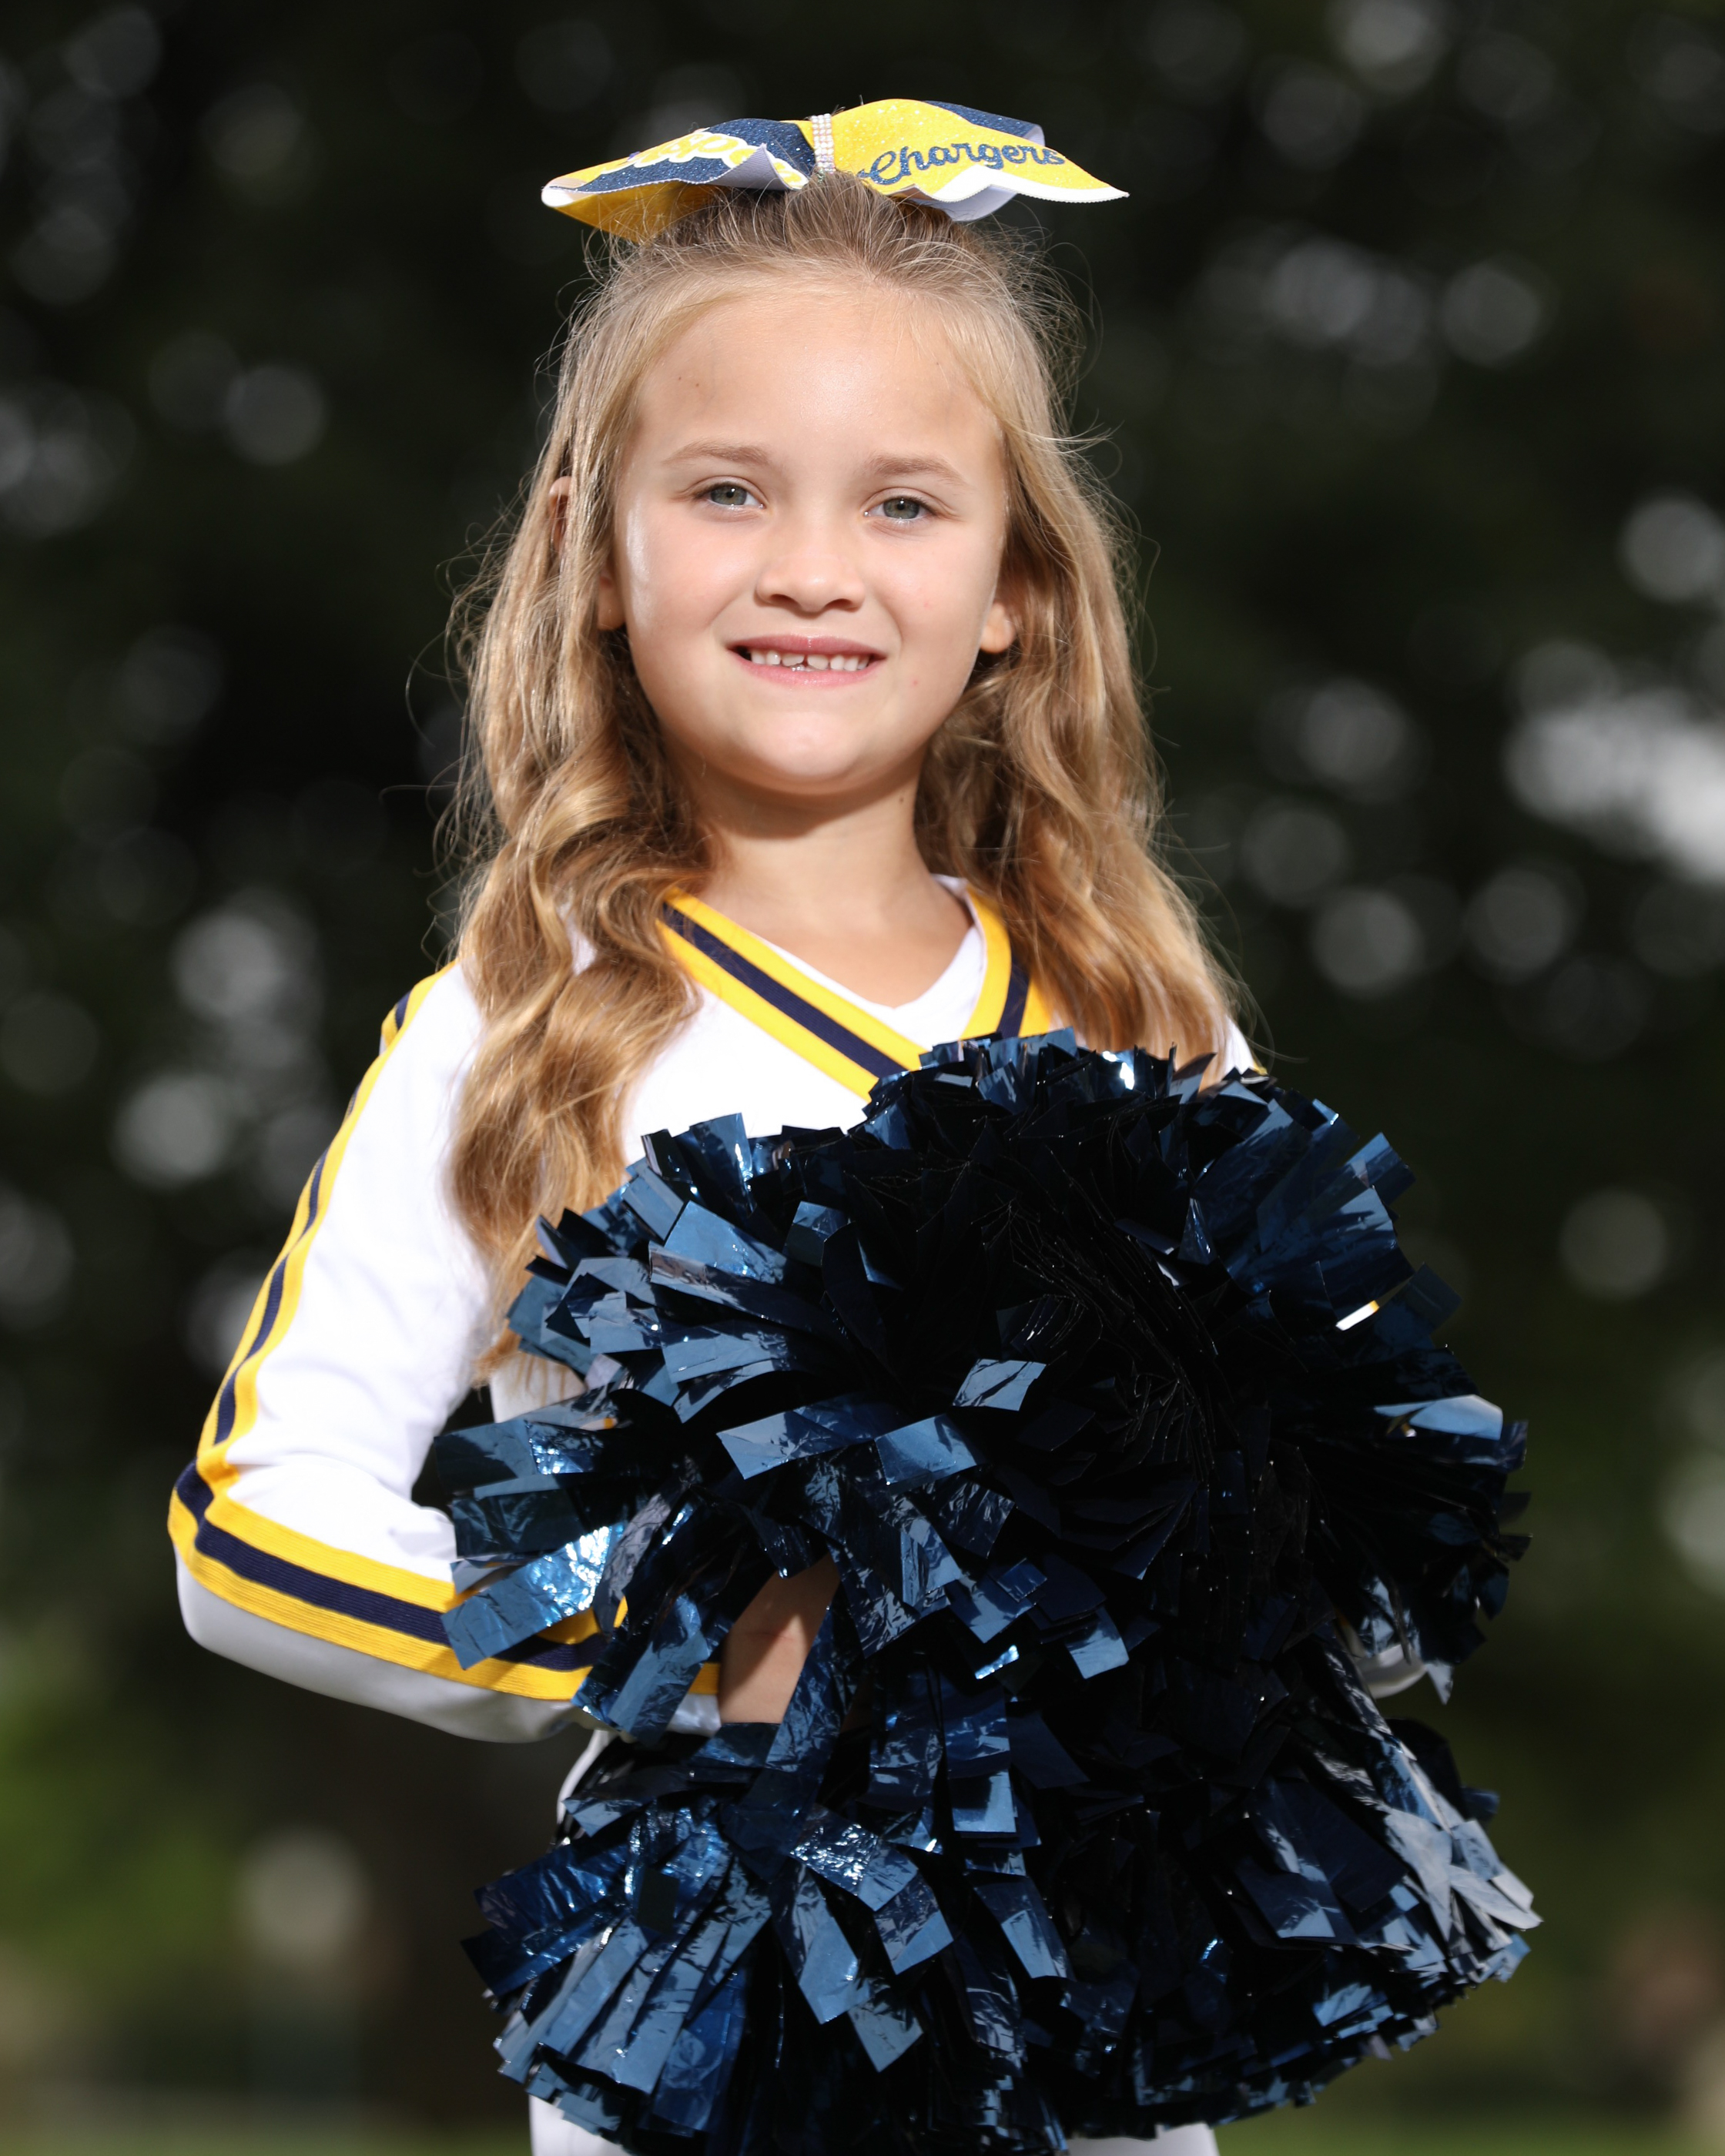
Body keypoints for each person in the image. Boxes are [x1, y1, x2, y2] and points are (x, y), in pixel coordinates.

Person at [170, 99, 1261, 2156]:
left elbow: (1328, 1493)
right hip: (712, 2009)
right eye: (730, 490)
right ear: (597, 550)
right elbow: (254, 1530)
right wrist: (678, 1631)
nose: (813, 570)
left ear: (1018, 584)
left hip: (1091, 1999)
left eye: (905, 503)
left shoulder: (1146, 1021)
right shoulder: (521, 1023)